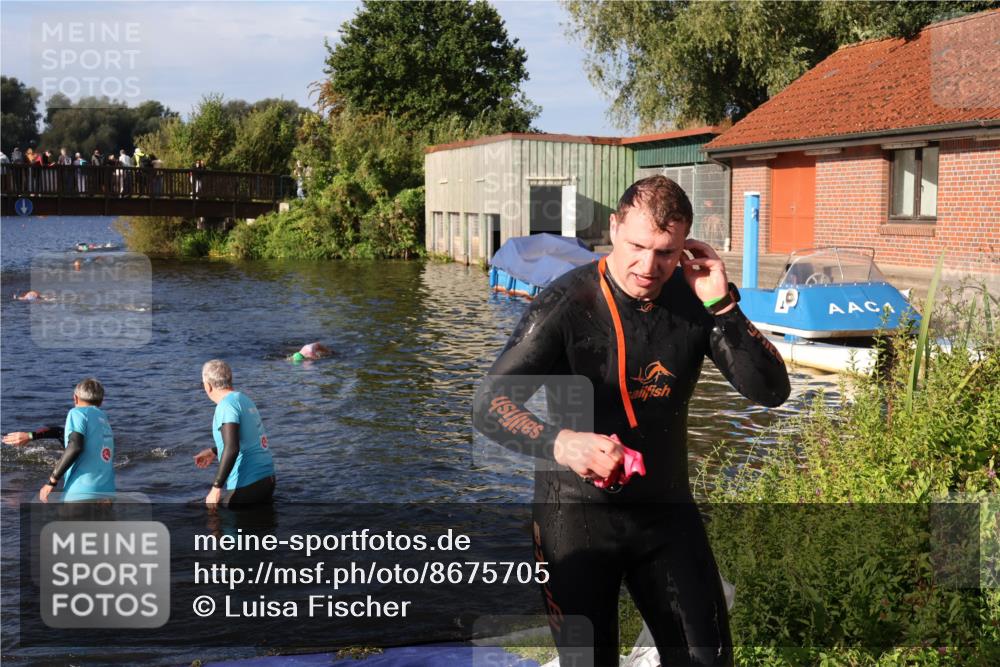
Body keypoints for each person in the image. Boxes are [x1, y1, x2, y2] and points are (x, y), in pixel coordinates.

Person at [472, 175, 790, 666]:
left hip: (666, 514)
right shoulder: (565, 304)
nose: (648, 266)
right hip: (574, 515)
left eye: (665, 252)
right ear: (615, 228)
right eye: (637, 245)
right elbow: (489, 404)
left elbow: (771, 392)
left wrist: (722, 305)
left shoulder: (696, 301)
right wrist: (561, 443)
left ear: (686, 246)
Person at [194, 360, 276, 508]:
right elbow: (248, 440)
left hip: (247, 483)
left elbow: (232, 448)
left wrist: (216, 488)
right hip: (267, 479)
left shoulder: (226, 406)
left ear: (208, 386)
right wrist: (214, 451)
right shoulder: (243, 399)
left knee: (222, 524)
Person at [29, 378, 115, 503]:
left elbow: (75, 446)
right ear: (101, 401)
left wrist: (52, 481)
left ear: (75, 398)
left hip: (80, 492)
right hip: (107, 493)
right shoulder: (103, 418)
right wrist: (30, 436)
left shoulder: (77, 413)